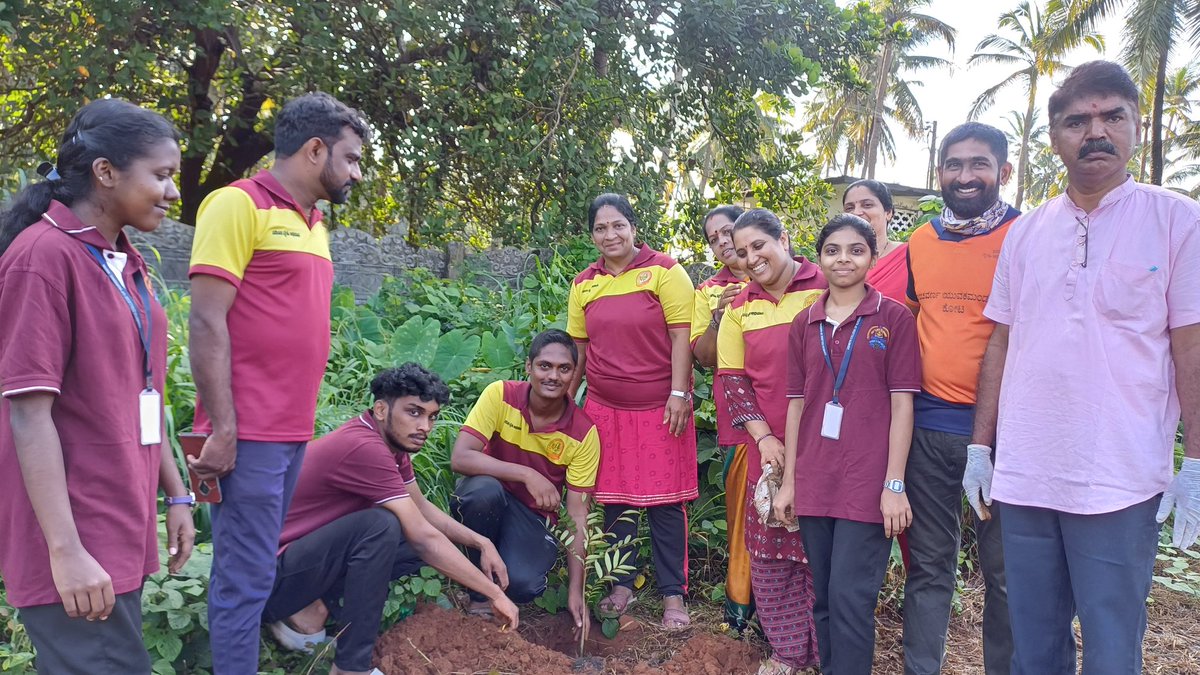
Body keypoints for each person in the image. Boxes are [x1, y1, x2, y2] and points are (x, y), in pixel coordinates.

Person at [965, 60, 1200, 675]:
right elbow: (1001, 342)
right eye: (1077, 121)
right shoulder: (1027, 233)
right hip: (1027, 473)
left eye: (1112, 117)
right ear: (1054, 137)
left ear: (1134, 126)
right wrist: (980, 448)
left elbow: (1190, 346)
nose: (1095, 132)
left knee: (1112, 648)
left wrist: (1196, 461)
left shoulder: (1177, 220)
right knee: (1034, 646)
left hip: (1119, 478)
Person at [0, 99, 194, 674]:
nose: (173, 193)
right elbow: (28, 416)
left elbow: (143, 390)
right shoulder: (42, 260)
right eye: (160, 176)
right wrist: (65, 552)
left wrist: (175, 492)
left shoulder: (121, 259)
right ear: (105, 173)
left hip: (119, 518)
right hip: (74, 532)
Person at [186, 92, 370, 673]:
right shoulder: (237, 205)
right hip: (248, 431)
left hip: (290, 431)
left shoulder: (313, 223)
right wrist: (223, 427)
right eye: (351, 158)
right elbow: (206, 319)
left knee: (258, 565)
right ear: (315, 150)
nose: (356, 174)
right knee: (243, 576)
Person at [264, 364, 520, 675]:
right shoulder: (364, 447)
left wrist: (481, 542)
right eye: (414, 412)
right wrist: (494, 594)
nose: (424, 425)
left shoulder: (390, 445)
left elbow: (421, 508)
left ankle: (310, 612)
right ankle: (350, 668)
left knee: (404, 535)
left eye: (432, 416)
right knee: (382, 527)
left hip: (296, 566)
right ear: (382, 408)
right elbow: (425, 539)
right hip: (266, 580)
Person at [774, 214, 921, 675]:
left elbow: (903, 406)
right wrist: (789, 483)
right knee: (824, 596)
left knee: (850, 599)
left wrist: (894, 484)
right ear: (819, 258)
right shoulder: (804, 322)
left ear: (873, 257)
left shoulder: (893, 317)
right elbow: (796, 405)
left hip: (866, 481)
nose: (844, 259)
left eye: (856, 250)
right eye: (833, 250)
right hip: (816, 478)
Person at [902, 122, 1018, 675]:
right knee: (928, 567)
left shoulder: (1025, 236)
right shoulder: (919, 242)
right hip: (927, 430)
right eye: (954, 164)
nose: (966, 176)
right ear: (940, 173)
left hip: (1003, 436)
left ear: (1004, 171)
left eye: (979, 164)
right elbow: (909, 321)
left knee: (1005, 574)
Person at [566, 193, 697, 628]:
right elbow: (579, 351)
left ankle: (673, 597)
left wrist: (679, 393)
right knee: (615, 503)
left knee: (666, 504)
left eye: (617, 225)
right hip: (605, 410)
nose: (610, 235)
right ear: (591, 235)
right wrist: (568, 400)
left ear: (633, 227)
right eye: (600, 228)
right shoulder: (584, 283)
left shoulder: (665, 271)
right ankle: (621, 584)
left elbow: (682, 337)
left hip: (662, 409)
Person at [716, 208, 825, 673]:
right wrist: (763, 439)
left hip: (828, 449)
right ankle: (786, 654)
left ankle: (827, 655)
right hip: (770, 451)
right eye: (741, 253)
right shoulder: (739, 308)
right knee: (771, 557)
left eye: (759, 245)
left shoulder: (829, 287)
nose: (751, 258)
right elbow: (733, 380)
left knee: (823, 557)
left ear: (784, 237)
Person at [449, 329, 599, 637]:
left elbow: (578, 515)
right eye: (545, 366)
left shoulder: (583, 432)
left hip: (532, 515)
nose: (553, 376)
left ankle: (503, 576)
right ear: (528, 367)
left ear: (574, 374)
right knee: (481, 494)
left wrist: (576, 589)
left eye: (564, 369)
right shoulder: (500, 395)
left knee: (524, 583)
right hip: (492, 495)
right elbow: (461, 458)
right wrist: (526, 474)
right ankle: (478, 594)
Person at [689, 204, 756, 632]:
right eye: (714, 238)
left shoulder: (786, 274)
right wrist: (719, 316)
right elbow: (701, 357)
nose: (724, 242)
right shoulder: (709, 290)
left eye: (729, 231)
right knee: (742, 516)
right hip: (738, 417)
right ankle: (740, 613)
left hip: (791, 412)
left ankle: (791, 612)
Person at [843, 179, 908, 301]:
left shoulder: (909, 255)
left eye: (867, 205)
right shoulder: (835, 260)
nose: (856, 212)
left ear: (888, 213)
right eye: (849, 208)